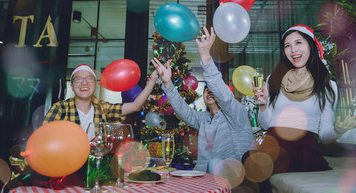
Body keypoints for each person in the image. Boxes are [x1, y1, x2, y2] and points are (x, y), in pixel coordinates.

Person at [242, 25, 356, 192]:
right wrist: (264, 105)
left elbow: (325, 135)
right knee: (250, 160)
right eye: (287, 46)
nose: (293, 50)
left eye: (298, 43)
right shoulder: (273, 79)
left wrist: (338, 130)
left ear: (310, 45)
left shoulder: (327, 85)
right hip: (272, 146)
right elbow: (265, 124)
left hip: (303, 151)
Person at [151, 27, 254, 173]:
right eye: (206, 89)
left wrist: (206, 57)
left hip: (235, 176)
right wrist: (167, 84)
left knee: (215, 163)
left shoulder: (236, 112)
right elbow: (184, 111)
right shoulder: (204, 119)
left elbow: (225, 97)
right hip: (205, 178)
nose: (209, 92)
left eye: (213, 89)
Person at [43, 64, 159, 135]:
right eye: (78, 79)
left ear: (96, 85)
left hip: (96, 168)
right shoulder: (60, 108)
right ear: (72, 86)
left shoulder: (103, 108)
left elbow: (135, 106)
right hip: (67, 168)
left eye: (89, 79)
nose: (84, 82)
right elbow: (43, 137)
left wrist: (153, 80)